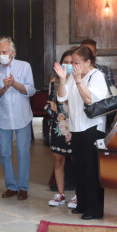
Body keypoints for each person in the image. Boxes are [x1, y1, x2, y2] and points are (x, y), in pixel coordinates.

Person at [55, 45, 107, 220]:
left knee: (92, 171)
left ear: (88, 62)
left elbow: (89, 98)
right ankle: (82, 204)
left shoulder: (96, 76)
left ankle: (94, 209)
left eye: (77, 63)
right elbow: (62, 98)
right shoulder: (74, 76)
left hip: (92, 129)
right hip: (76, 128)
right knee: (80, 169)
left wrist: (78, 80)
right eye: (72, 63)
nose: (73, 66)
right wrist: (63, 80)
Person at [0, 37, 36, 201]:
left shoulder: (24, 66)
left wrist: (14, 84)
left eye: (4, 52)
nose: (1, 55)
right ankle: (11, 186)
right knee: (4, 153)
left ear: (12, 53)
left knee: (22, 152)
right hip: (3, 117)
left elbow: (31, 90)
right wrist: (4, 88)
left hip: (22, 116)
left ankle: (23, 187)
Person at [46, 50, 74, 208]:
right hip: (58, 125)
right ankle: (61, 194)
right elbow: (49, 102)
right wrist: (52, 106)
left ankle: (78, 195)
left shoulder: (79, 81)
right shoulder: (54, 82)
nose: (68, 65)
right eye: (66, 62)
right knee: (58, 160)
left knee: (77, 161)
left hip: (75, 126)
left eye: (71, 62)